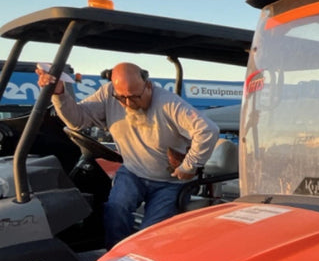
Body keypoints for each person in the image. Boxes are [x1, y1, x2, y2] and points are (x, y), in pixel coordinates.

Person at [38, 62, 219, 247]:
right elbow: (78, 120)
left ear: (148, 85)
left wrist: (189, 165)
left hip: (170, 182)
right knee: (115, 211)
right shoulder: (109, 94)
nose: (128, 104)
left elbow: (208, 130)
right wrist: (58, 93)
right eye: (121, 98)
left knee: (150, 233)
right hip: (133, 172)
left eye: (134, 97)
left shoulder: (168, 103)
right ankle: (115, 258)